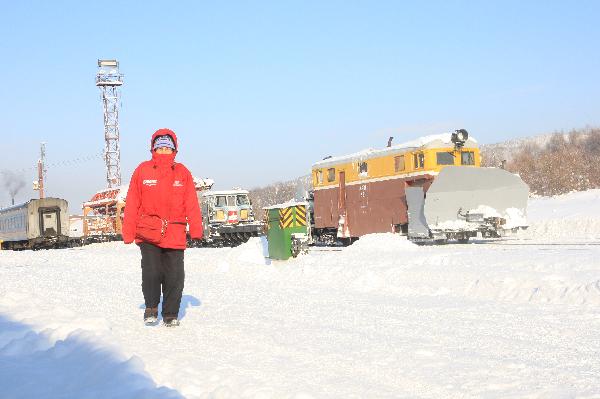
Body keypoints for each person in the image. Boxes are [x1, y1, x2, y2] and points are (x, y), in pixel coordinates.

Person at [122, 128, 203, 327]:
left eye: (168, 148)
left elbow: (191, 202)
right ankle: (151, 308)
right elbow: (132, 201)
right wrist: (128, 230)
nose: (164, 151)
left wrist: (196, 229)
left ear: (175, 150)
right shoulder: (142, 170)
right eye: (160, 147)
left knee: (175, 275)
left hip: (175, 232)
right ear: (153, 149)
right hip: (148, 231)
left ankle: (170, 313)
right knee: (151, 271)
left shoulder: (182, 172)